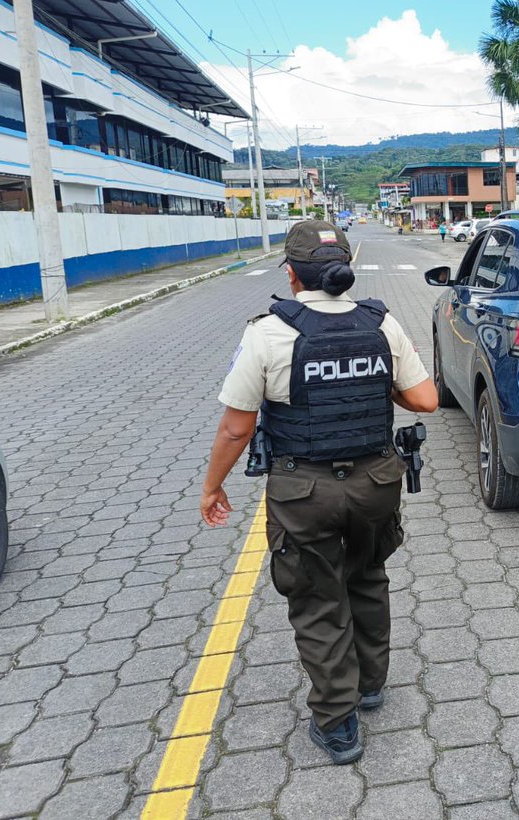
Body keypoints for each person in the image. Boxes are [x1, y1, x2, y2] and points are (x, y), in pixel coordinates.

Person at [200, 219, 438, 764]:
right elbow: (425, 401)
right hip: (378, 482)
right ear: (346, 270)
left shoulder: (267, 332)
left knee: (317, 600)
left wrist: (212, 487)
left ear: (291, 274)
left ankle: (337, 722)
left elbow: (237, 429)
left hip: (303, 490)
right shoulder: (383, 324)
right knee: (368, 578)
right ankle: (371, 685)